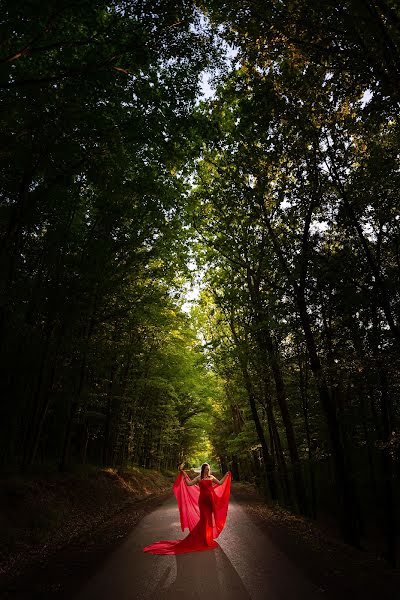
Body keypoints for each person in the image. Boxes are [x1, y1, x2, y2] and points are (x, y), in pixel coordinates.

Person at [143, 462, 231, 555]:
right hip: (202, 502)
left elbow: (220, 483)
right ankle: (200, 538)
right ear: (203, 469)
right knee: (204, 519)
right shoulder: (198, 478)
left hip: (211, 502)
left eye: (208, 469)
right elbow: (189, 484)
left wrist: (226, 475)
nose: (207, 470)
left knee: (209, 520)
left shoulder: (211, 477)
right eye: (206, 469)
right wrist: (184, 475)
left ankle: (207, 538)